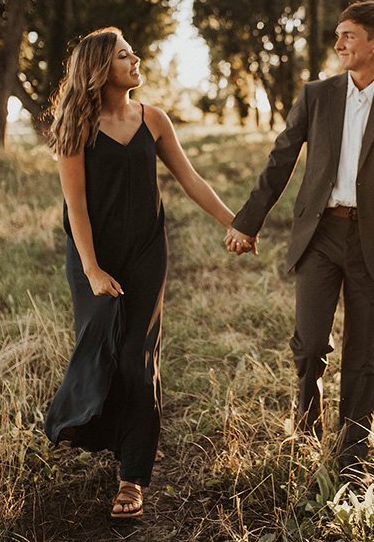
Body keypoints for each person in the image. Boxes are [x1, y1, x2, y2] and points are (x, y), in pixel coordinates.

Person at [225, 0, 374, 477]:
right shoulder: (317, 95)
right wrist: (248, 221)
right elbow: (280, 161)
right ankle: (305, 428)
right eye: (339, 35)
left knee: (365, 356)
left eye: (349, 35)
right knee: (308, 346)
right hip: (319, 235)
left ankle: (352, 457)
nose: (340, 43)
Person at [44, 27, 236, 519]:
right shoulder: (76, 126)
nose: (136, 61)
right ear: (100, 69)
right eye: (124, 56)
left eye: (133, 52)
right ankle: (92, 426)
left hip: (147, 254)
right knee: (103, 350)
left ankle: (133, 477)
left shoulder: (154, 120)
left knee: (137, 356)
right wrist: (91, 269)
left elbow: (189, 178)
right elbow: (77, 208)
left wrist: (236, 223)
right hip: (94, 259)